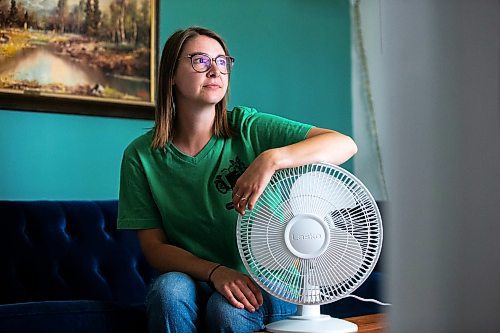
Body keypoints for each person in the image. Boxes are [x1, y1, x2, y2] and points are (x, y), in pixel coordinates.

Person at [117, 26, 358, 333]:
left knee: (227, 309)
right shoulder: (141, 156)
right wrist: (216, 272)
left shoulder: (248, 127)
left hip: (270, 281)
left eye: (222, 61)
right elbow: (154, 247)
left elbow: (344, 144)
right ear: (171, 76)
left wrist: (271, 159)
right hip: (197, 277)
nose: (215, 69)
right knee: (169, 290)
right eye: (200, 61)